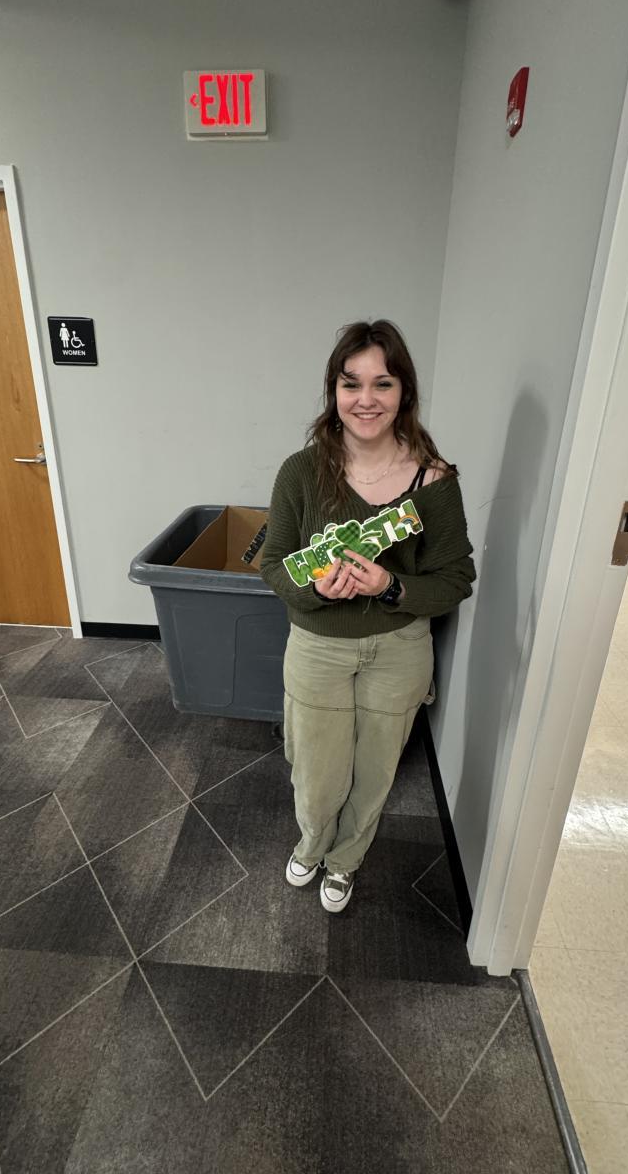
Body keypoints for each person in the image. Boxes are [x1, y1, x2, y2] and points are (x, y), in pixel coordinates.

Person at [260, 320, 477, 914]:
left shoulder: (433, 480)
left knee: (376, 771)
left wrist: (391, 586)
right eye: (351, 383)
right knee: (316, 773)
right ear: (334, 390)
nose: (366, 399)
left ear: (404, 392)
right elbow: (273, 564)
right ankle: (313, 842)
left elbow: (456, 578)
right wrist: (316, 591)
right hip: (318, 645)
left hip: (399, 648)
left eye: (383, 383)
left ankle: (346, 860)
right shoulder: (301, 472)